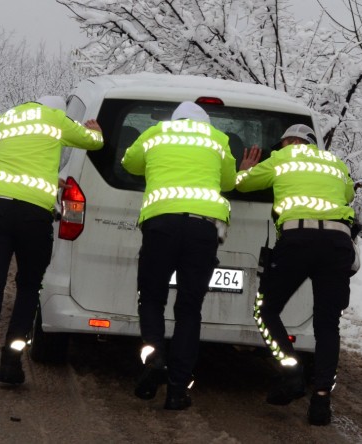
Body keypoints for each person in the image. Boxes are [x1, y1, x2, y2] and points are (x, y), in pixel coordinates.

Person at [0, 96, 104, 396]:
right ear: (52, 109)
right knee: (28, 288)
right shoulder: (54, 119)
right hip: (32, 218)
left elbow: (20, 164)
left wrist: (50, 180)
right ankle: (11, 363)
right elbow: (91, 143)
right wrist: (95, 131)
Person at [235, 123, 355, 426]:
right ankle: (321, 400)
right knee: (328, 325)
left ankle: (291, 372)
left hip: (298, 241)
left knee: (266, 310)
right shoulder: (335, 162)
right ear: (313, 143)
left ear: (288, 142)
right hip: (338, 243)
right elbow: (349, 194)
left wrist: (246, 169)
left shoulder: (282, 158)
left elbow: (242, 185)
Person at [121, 101, 236, 410]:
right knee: (188, 310)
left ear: (176, 120)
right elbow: (227, 182)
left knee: (152, 298)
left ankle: (155, 357)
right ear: (205, 122)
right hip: (203, 230)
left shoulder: (156, 132)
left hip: (161, 225)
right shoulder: (218, 139)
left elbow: (129, 163)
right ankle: (177, 391)